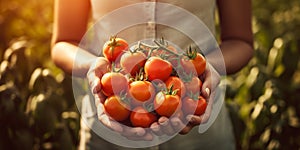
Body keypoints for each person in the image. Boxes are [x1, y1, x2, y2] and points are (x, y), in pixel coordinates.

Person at [51, 0, 253, 149]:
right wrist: (92, 65)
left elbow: (240, 41)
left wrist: (208, 67)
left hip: (201, 133)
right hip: (107, 130)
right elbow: (64, 42)